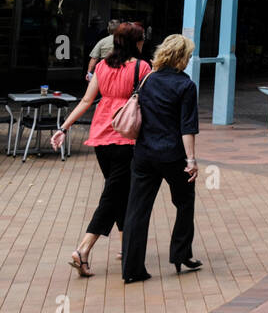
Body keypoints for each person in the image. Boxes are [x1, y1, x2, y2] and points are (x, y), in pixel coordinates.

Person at [54, 21, 145, 277]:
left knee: (118, 192)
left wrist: (64, 127)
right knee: (113, 194)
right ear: (135, 42)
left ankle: (125, 247)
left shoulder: (103, 66)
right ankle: (83, 249)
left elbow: (86, 100)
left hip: (100, 137)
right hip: (127, 137)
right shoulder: (142, 67)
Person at [122, 34, 201, 283]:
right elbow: (187, 127)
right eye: (188, 56)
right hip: (173, 154)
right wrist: (191, 160)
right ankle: (180, 253)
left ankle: (132, 269)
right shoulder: (186, 85)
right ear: (180, 58)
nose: (189, 60)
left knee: (137, 210)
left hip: (144, 153)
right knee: (184, 202)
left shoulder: (148, 80)